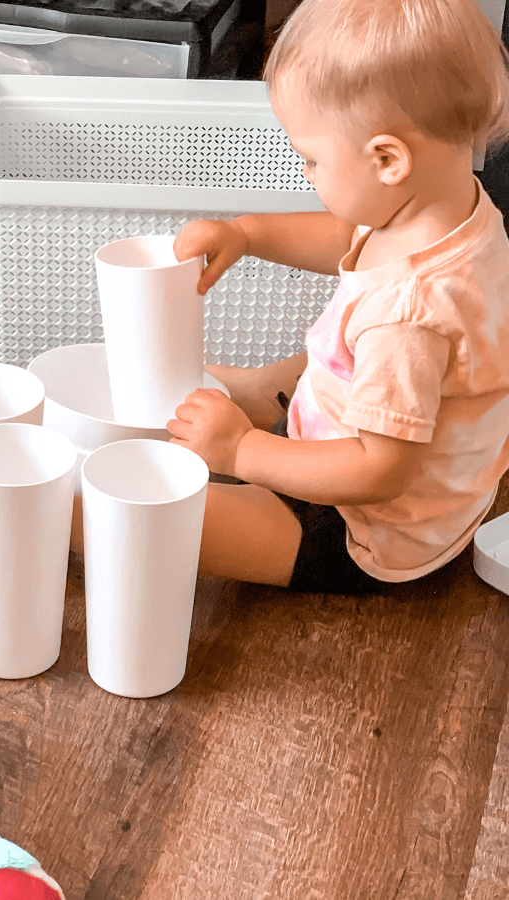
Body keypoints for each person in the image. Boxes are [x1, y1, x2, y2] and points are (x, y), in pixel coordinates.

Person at [163, 0, 509, 591]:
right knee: (197, 388)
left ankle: (66, 516)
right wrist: (245, 234)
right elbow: (349, 235)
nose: (306, 173)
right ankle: (271, 404)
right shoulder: (444, 207)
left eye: (312, 159)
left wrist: (242, 453)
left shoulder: (409, 313)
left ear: (387, 159)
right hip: (376, 440)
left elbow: (378, 471)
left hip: (369, 525)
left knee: (171, 524)